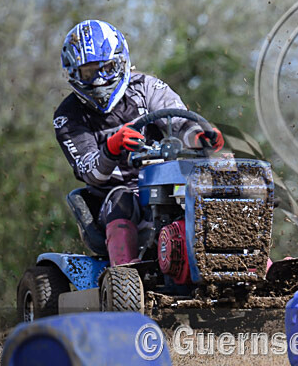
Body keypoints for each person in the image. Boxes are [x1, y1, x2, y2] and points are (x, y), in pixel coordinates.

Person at [54, 19, 224, 266]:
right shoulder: (67, 116)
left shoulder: (146, 87)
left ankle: (247, 264)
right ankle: (125, 274)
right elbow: (90, 172)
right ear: (74, 74)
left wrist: (200, 137)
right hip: (111, 200)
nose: (99, 80)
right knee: (121, 200)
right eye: (89, 73)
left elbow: (178, 120)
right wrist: (112, 147)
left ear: (122, 62)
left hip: (163, 183)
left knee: (207, 188)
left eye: (107, 68)